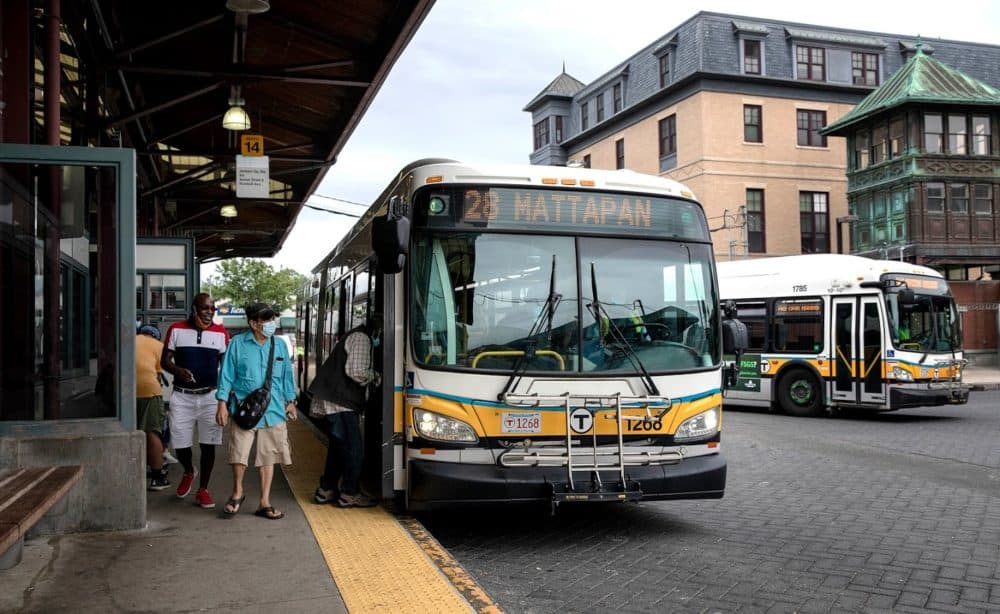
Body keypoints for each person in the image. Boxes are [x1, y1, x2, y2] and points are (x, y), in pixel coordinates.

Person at [215, 302, 297, 520]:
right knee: (238, 453)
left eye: (272, 319)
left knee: (268, 456)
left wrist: (291, 400)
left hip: (273, 410)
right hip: (244, 409)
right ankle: (237, 492)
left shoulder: (279, 345)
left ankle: (264, 502)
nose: (272, 324)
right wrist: (221, 402)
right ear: (253, 323)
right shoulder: (237, 344)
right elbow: (227, 374)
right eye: (267, 320)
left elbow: (287, 375)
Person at [161, 293, 229, 509]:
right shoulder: (176, 329)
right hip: (182, 396)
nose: (209, 312)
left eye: (213, 308)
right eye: (205, 308)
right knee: (180, 444)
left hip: (210, 396)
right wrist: (176, 370)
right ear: (194, 308)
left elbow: (225, 368)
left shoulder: (220, 333)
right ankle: (189, 470)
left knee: (209, 444)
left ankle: (203, 489)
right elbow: (165, 361)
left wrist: (223, 400)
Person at [309, 314, 382, 508]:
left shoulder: (357, 335)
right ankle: (349, 493)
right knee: (354, 449)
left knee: (338, 448)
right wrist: (376, 377)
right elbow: (356, 371)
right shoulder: (362, 338)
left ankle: (327, 489)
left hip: (336, 399)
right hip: (341, 401)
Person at [136, 324, 170, 491]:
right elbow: (158, 375)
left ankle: (134, 471)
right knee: (152, 431)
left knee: (132, 431)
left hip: (123, 392)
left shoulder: (128, 341)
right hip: (149, 391)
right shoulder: (159, 346)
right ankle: (158, 477)